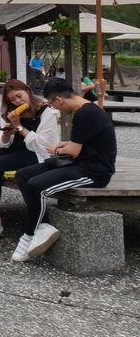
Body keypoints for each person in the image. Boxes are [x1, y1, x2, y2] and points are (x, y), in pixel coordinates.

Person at [11, 80, 117, 262]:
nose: (55, 108)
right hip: (79, 163)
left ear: (58, 100)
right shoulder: (88, 110)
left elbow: (74, 151)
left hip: (93, 172)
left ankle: (29, 234)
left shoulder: (84, 114)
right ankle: (42, 225)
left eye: (52, 104)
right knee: (23, 175)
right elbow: (83, 144)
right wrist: (66, 145)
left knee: (37, 186)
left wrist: (57, 150)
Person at [0, 79, 58, 240]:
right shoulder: (11, 111)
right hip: (14, 150)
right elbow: (2, 142)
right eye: (13, 99)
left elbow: (44, 146)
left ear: (28, 91)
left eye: (19, 96)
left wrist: (21, 128)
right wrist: (7, 133)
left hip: (35, 154)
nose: (17, 101)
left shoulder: (47, 112)